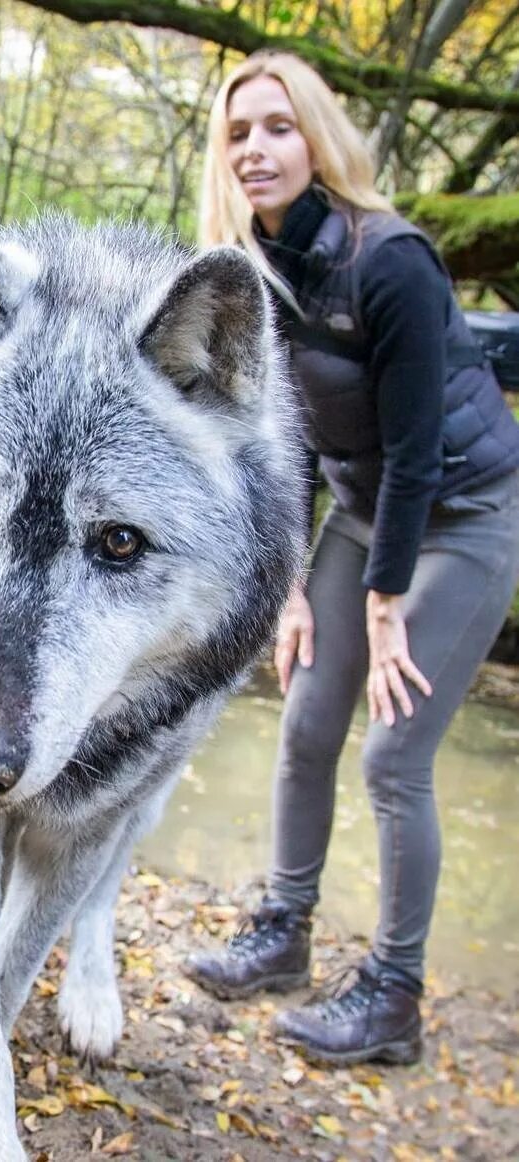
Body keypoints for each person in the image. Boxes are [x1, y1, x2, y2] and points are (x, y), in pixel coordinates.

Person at [184, 50, 519, 1066]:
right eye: (239, 133)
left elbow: (419, 449)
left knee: (393, 753)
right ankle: (283, 934)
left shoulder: (393, 259)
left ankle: (393, 995)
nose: (256, 149)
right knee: (304, 723)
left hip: (464, 510)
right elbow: (274, 441)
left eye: (278, 127)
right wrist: (291, 588)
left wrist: (381, 607)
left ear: (318, 140)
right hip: (363, 511)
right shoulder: (247, 271)